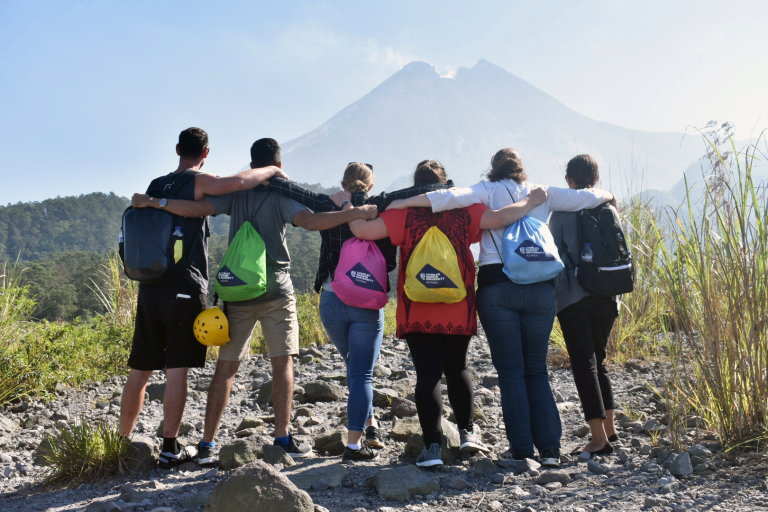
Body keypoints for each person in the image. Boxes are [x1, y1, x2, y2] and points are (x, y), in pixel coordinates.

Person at [130, 138, 378, 466]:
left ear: (252, 162)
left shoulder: (237, 191)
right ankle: (282, 439)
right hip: (277, 291)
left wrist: (156, 202)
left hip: (238, 292)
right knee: (282, 363)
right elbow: (313, 222)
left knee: (226, 368)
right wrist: (356, 213)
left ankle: (207, 446)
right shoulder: (283, 192)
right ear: (278, 163)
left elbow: (195, 210)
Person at [391, 148, 616, 467]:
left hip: (497, 287)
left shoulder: (485, 190)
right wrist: (609, 196)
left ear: (493, 169)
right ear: (521, 170)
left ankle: (522, 449)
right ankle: (550, 450)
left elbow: (445, 198)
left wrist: (401, 201)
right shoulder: (544, 193)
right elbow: (589, 197)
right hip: (539, 290)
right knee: (537, 370)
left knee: (511, 371)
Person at [347, 159, 547, 467]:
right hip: (457, 305)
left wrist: (353, 204)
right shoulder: (465, 209)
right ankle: (467, 435)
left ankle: (431, 449)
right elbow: (503, 217)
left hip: (417, 307)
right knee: (457, 368)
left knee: (427, 375)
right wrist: (531, 200)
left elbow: (361, 230)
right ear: (446, 184)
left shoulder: (403, 213)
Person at [119, 127, 292, 469]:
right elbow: (241, 183)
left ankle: (120, 443)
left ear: (177, 149)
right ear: (206, 153)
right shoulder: (199, 181)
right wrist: (272, 171)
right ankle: (169, 448)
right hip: (183, 285)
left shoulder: (156, 185)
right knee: (177, 371)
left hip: (149, 286)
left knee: (139, 371)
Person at [266, 160, 456, 462]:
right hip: (366, 303)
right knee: (362, 373)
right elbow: (416, 190)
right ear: (370, 184)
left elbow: (293, 190)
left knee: (354, 367)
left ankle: (369, 426)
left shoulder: (328, 204)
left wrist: (269, 175)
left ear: (343, 184)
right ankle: (354, 446)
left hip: (331, 299)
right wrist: (448, 188)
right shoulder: (381, 204)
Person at [550, 155, 620, 457]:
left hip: (575, 297)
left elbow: (553, 255)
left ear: (570, 181)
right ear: (597, 178)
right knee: (599, 359)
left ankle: (597, 438)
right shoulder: (609, 208)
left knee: (583, 363)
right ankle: (611, 429)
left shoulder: (563, 213)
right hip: (609, 294)